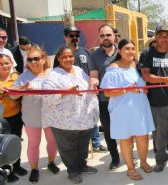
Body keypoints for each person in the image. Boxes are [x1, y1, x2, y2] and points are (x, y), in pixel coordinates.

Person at [42, 46, 99, 184]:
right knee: (68, 148)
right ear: (58, 59)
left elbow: (87, 86)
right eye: (64, 57)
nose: (68, 59)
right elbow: (47, 97)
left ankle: (82, 165)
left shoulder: (79, 70)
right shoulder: (52, 75)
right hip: (64, 122)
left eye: (70, 56)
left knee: (82, 144)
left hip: (83, 118)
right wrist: (67, 91)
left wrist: (93, 83)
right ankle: (72, 171)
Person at [101, 39, 155, 181]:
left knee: (143, 136)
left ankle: (143, 162)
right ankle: (130, 169)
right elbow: (107, 93)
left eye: (132, 48)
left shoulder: (137, 66)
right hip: (122, 111)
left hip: (140, 108)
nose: (130, 51)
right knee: (127, 139)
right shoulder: (113, 68)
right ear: (119, 51)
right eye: (127, 48)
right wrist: (127, 89)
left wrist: (143, 90)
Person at [140, 25, 168, 174]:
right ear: (155, 37)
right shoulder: (147, 53)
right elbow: (146, 76)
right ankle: (161, 160)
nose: (164, 38)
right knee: (159, 135)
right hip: (155, 103)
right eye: (161, 35)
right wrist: (163, 80)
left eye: (167, 36)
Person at [12, 46, 60, 183]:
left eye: (37, 58)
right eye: (30, 59)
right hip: (31, 116)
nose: (33, 62)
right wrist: (21, 89)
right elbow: (13, 96)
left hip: (51, 115)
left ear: (44, 59)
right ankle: (34, 169)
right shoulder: (23, 76)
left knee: (52, 141)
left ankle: (51, 162)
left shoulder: (53, 73)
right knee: (33, 143)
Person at [63, 26, 107, 153]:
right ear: (65, 37)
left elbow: (93, 70)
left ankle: (96, 143)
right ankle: (79, 146)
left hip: (88, 91)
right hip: (72, 93)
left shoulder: (86, 52)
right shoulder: (62, 53)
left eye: (77, 35)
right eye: (71, 36)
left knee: (92, 117)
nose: (74, 38)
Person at [89, 25, 121, 170]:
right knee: (108, 131)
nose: (105, 38)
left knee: (127, 128)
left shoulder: (123, 52)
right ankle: (115, 158)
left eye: (108, 35)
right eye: (102, 36)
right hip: (104, 101)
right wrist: (93, 81)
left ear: (114, 36)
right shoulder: (94, 55)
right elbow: (94, 75)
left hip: (124, 99)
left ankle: (129, 154)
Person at [0, 54, 27, 182]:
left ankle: (16, 166)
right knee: (2, 146)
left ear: (12, 63)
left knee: (15, 141)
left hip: (16, 116)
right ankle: (6, 170)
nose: (4, 66)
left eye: (7, 63)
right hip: (1, 119)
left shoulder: (17, 76)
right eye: (1, 64)